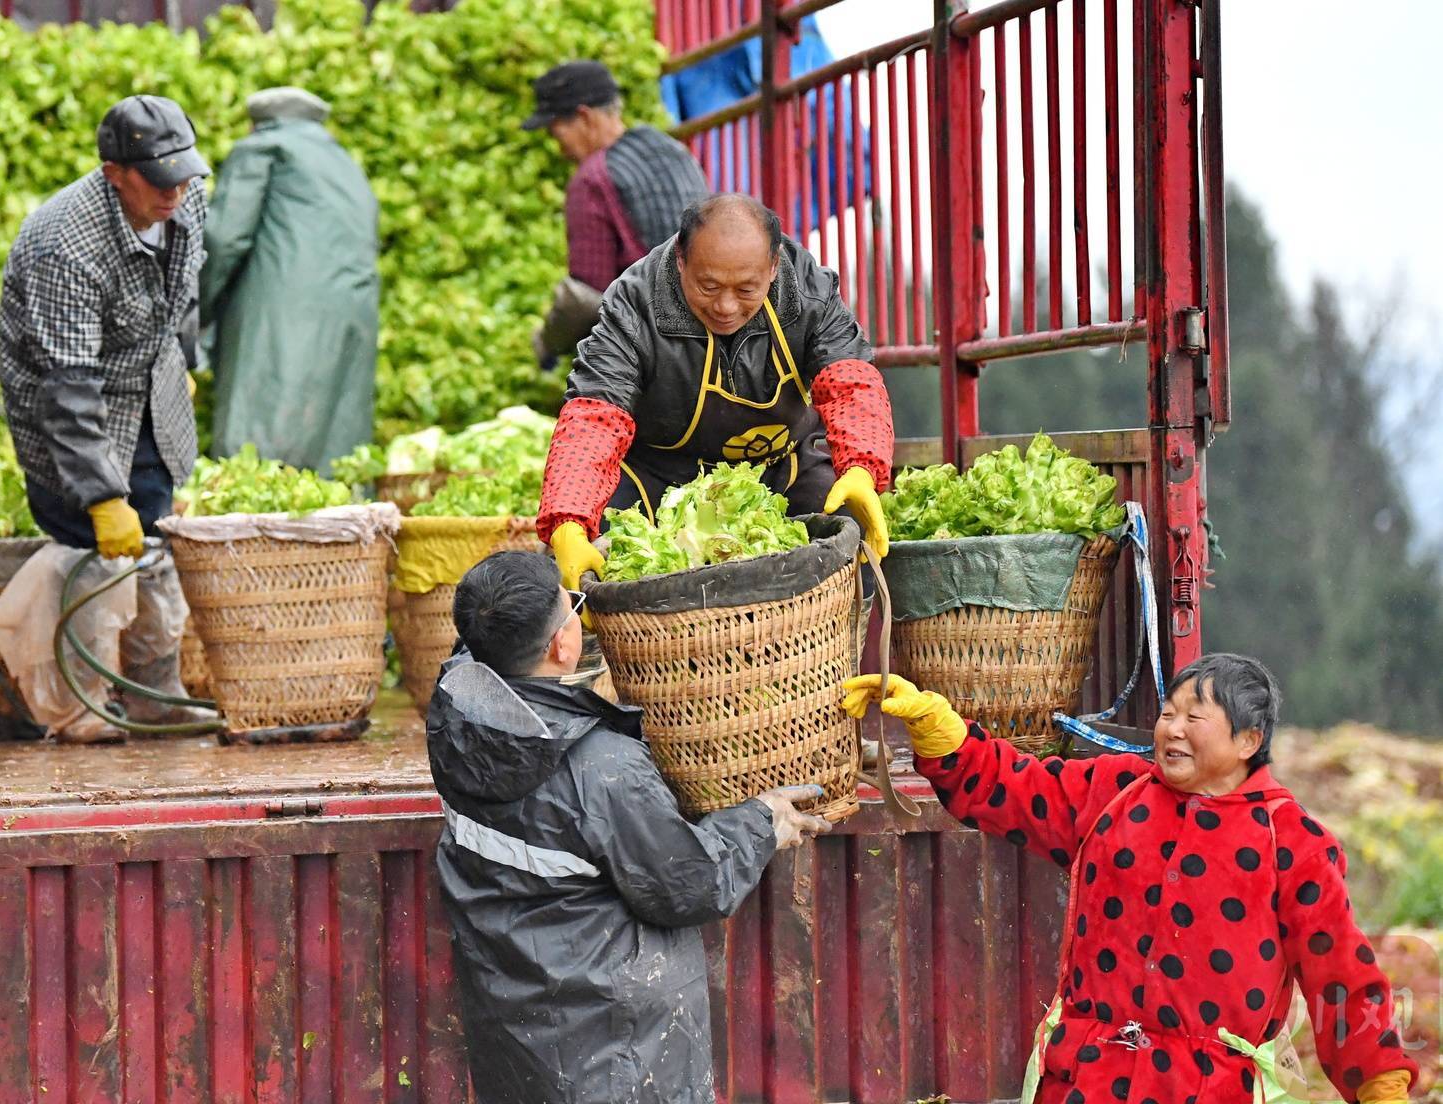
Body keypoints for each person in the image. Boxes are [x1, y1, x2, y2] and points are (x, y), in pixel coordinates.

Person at [842, 655, 1417, 1104]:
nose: (1172, 728)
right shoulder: (1114, 790)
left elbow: (1340, 973)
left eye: (1196, 717)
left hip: (1208, 1090)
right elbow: (1017, 790)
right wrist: (940, 730)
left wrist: (1380, 1084)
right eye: (1168, 712)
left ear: (1248, 741)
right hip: (1084, 1079)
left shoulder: (1289, 840)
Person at [428, 550, 830, 1103]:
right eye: (571, 610)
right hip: (619, 1054)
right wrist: (763, 822)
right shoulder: (603, 767)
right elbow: (688, 884)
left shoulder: (454, 717)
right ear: (562, 645)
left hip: (516, 1039)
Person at [538, 192, 893, 591]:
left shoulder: (811, 292)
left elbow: (849, 381)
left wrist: (863, 467)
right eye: (708, 286)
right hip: (658, 472)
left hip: (781, 462)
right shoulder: (634, 302)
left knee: (844, 520)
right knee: (582, 549)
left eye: (746, 290)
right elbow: (595, 412)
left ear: (774, 268)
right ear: (680, 260)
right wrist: (568, 518)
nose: (725, 306)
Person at [0, 94, 214, 741]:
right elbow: (69, 386)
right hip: (71, 410)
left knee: (155, 540)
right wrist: (98, 493)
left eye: (184, 175)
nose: (175, 191)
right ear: (115, 171)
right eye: (159, 179)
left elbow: (189, 287)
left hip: (149, 387)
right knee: (91, 550)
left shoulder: (186, 200)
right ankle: (80, 705)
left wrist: (186, 363)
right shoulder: (65, 244)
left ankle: (154, 693)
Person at [201, 87, 380, 471]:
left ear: (259, 122)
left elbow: (224, 237)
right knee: (335, 445)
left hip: (281, 315)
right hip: (351, 319)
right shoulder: (344, 163)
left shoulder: (264, 149)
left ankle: (255, 526)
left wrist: (195, 309)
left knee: (259, 447)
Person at [523, 60, 708, 370]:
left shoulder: (592, 179)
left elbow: (585, 297)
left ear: (584, 117)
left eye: (558, 134)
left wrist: (547, 344)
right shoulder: (674, 151)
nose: (560, 149)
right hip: (717, 335)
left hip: (657, 358)